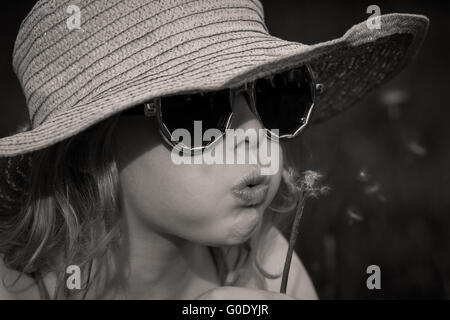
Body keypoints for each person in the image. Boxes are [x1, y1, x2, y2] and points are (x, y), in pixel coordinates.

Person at [0, 0, 428, 299]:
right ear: (93, 144)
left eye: (275, 93)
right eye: (196, 108)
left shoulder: (265, 266)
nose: (254, 133)